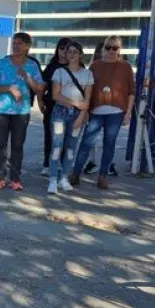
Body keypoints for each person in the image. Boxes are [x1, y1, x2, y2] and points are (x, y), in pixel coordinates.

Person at [69, 35, 134, 190]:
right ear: (103, 48)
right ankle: (75, 173)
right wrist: (85, 110)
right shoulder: (95, 66)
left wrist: (129, 112)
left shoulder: (125, 67)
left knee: (109, 144)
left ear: (119, 50)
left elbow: (131, 91)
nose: (111, 50)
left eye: (115, 48)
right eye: (108, 47)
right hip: (96, 111)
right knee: (87, 142)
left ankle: (103, 176)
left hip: (116, 112)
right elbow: (87, 89)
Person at [0, 32, 43, 190]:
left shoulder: (32, 65)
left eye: (20, 43)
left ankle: (15, 179)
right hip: (0, 110)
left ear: (27, 46)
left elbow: (39, 89)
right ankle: (0, 177)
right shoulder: (3, 63)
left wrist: (28, 78)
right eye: (14, 43)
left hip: (21, 112)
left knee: (17, 145)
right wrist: (9, 89)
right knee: (0, 144)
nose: (16, 46)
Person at [48, 41, 93, 194]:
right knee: (57, 146)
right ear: (66, 55)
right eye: (69, 52)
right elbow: (55, 95)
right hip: (60, 113)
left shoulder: (87, 74)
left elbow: (87, 100)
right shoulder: (59, 72)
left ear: (80, 55)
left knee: (70, 149)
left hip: (77, 115)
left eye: (75, 52)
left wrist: (81, 116)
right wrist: (75, 103)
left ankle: (64, 178)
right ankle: (53, 179)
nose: (72, 54)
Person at [41, 37, 71, 176]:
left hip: (69, 107)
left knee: (66, 137)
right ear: (57, 49)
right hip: (51, 106)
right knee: (50, 136)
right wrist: (40, 101)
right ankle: (47, 163)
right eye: (61, 48)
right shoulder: (51, 66)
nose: (64, 52)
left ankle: (62, 163)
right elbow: (43, 86)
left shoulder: (77, 66)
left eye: (67, 49)